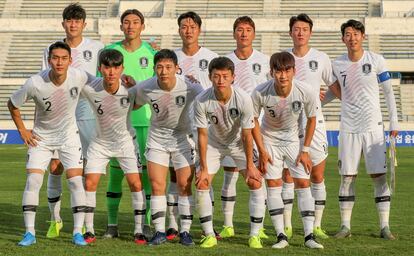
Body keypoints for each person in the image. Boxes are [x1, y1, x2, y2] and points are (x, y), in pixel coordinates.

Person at [8, 42, 90, 246]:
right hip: (42, 139)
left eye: (64, 58)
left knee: (75, 182)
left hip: (69, 137)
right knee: (33, 181)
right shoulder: (35, 82)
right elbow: (12, 104)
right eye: (55, 58)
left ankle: (77, 233)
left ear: (70, 60)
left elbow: (100, 85)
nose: (59, 62)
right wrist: (22, 129)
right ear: (49, 59)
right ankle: (30, 233)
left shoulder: (79, 76)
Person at [329, 19, 398, 240]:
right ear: (342, 39)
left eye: (356, 34)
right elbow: (334, 91)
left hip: (373, 127)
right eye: (348, 34)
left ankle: (385, 227)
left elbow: (388, 93)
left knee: (379, 176)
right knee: (346, 177)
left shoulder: (376, 60)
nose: (352, 38)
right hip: (348, 127)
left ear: (363, 37)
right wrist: (314, 102)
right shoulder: (337, 64)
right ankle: (345, 227)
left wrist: (393, 123)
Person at [41, 3, 104, 238]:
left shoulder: (97, 47)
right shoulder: (52, 48)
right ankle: (54, 220)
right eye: (69, 20)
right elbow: (44, 81)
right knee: (55, 166)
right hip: (60, 112)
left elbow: (101, 82)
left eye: (77, 21)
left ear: (84, 24)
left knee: (88, 168)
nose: (73, 24)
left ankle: (88, 226)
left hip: (87, 111)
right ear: (63, 24)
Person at [131, 49, 204, 246]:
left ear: (177, 68)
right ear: (154, 69)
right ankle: (159, 231)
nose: (164, 71)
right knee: (157, 186)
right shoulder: (146, 87)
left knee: (184, 186)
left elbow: (206, 102)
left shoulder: (191, 87)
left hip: (182, 139)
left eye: (168, 67)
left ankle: (185, 232)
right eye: (160, 67)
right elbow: (133, 104)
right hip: (157, 140)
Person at [251, 51, 324, 249]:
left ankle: (309, 236)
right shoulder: (260, 91)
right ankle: (281, 235)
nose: (282, 75)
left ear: (294, 71)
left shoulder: (305, 91)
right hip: (270, 141)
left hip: (293, 141)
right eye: (278, 71)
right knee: (273, 185)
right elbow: (253, 121)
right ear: (271, 72)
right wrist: (261, 150)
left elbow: (312, 119)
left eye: (287, 70)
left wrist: (306, 149)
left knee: (303, 183)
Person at [194, 56, 265, 248]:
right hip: (213, 144)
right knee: (202, 183)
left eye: (225, 76)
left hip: (238, 144)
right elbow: (201, 135)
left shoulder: (243, 99)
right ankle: (209, 234)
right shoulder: (201, 100)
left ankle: (255, 235)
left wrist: (250, 165)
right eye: (216, 76)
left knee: (255, 181)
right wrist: (203, 167)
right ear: (210, 77)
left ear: (233, 77)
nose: (221, 81)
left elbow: (247, 135)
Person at [81, 49, 147, 245]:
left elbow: (140, 103)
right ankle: (89, 229)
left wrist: (136, 86)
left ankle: (138, 230)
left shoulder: (131, 90)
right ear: (100, 68)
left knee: (136, 183)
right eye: (107, 67)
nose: (111, 72)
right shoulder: (90, 88)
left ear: (122, 69)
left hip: (125, 142)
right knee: (90, 183)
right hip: (100, 143)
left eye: (116, 67)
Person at [282, 13, 337, 240]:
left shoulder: (321, 58)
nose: (300, 33)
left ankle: (316, 225)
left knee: (317, 174)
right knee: (288, 174)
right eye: (296, 29)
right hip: (289, 123)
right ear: (291, 33)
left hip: (316, 121)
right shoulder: (283, 59)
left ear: (310, 32)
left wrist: (320, 101)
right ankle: (286, 224)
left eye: (304, 29)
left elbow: (335, 88)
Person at [103, 8, 157, 238]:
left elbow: (157, 86)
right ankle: (112, 225)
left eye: (136, 22)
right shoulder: (111, 51)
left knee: (145, 176)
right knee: (116, 174)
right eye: (126, 22)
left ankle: (145, 223)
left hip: (145, 121)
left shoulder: (151, 53)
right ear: (121, 26)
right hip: (117, 122)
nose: (131, 26)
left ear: (143, 26)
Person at [166, 11, 219, 240]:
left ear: (199, 29)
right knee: (175, 177)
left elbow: (218, 90)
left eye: (192, 26)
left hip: (205, 127)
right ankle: (172, 224)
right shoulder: (170, 57)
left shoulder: (212, 56)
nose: (188, 30)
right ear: (179, 30)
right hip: (177, 127)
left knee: (206, 175)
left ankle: (209, 224)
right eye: (184, 26)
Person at [221, 16, 270, 239]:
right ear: (234, 34)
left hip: (256, 127)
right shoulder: (224, 60)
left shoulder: (265, 60)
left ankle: (259, 228)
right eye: (239, 30)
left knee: (259, 175)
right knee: (229, 174)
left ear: (254, 34)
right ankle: (228, 225)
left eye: (248, 30)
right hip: (229, 128)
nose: (243, 34)